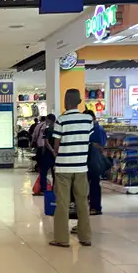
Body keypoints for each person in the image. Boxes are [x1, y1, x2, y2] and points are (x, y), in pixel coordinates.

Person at [50, 89, 93, 248]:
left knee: (62, 203)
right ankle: (85, 237)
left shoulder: (61, 120)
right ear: (79, 101)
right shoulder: (88, 119)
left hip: (63, 168)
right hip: (81, 167)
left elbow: (56, 145)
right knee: (82, 202)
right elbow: (87, 140)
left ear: (66, 101)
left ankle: (62, 238)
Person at [86, 109, 107, 215]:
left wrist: (91, 144)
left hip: (95, 160)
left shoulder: (98, 129)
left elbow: (102, 146)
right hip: (85, 160)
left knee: (94, 183)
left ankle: (96, 207)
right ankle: (89, 205)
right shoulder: (86, 128)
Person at [39, 114, 56, 192]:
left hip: (48, 154)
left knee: (43, 172)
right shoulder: (58, 130)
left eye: (46, 119)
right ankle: (55, 189)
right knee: (55, 173)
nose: (45, 121)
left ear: (50, 120)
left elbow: (46, 143)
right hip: (57, 154)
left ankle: (44, 189)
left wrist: (52, 151)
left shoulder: (47, 130)